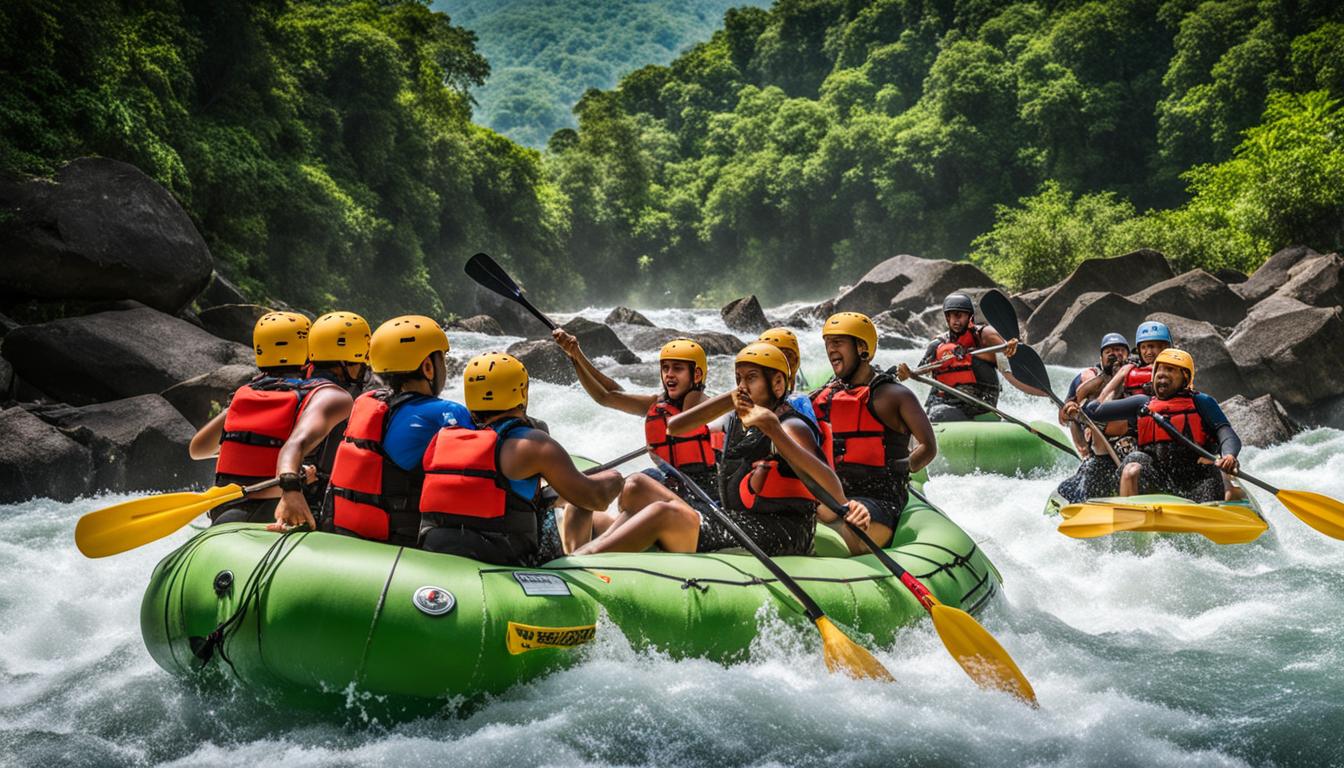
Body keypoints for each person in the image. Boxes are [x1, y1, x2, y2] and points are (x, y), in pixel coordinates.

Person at [575, 343, 867, 556]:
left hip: (781, 531)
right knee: (638, 485)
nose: (742, 386)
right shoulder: (740, 416)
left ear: (777, 383)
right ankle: (593, 550)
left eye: (750, 378)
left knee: (664, 514)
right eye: (738, 378)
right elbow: (675, 428)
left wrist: (774, 430)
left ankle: (586, 561)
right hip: (737, 517)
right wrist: (730, 399)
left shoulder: (790, 425)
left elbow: (833, 490)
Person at [419, 352, 624, 565]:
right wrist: (616, 479)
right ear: (521, 392)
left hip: (438, 554)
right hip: (501, 560)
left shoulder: (445, 438)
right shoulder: (533, 444)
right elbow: (594, 498)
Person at [321, 316, 472, 546]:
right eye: (442, 358)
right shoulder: (445, 412)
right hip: (399, 539)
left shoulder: (366, 401)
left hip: (349, 530)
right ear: (428, 367)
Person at [553, 331, 711, 547]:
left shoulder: (711, 410)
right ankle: (575, 555)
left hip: (695, 504)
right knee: (579, 500)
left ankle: (590, 552)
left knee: (641, 481)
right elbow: (607, 396)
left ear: (697, 374)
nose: (669, 375)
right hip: (663, 490)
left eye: (678, 368)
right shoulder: (658, 404)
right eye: (665, 368)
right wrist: (575, 355)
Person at [189, 311, 343, 525]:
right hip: (273, 509)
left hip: (223, 506)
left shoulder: (245, 393)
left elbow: (198, 450)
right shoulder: (316, 394)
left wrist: (243, 448)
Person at [812, 312, 937, 552]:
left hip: (880, 498)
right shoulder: (826, 395)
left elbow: (928, 446)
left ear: (862, 347)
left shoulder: (894, 395)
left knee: (841, 531)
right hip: (836, 494)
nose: (830, 349)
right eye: (827, 343)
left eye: (837, 342)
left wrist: (904, 466)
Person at [1069, 349, 1243, 503]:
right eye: (1159, 369)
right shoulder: (1143, 404)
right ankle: (1129, 526)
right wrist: (1076, 408)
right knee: (1132, 466)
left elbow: (1226, 433)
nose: (1161, 374)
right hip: (1157, 478)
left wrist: (1229, 455)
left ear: (1185, 377)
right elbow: (1094, 412)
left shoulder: (1201, 402)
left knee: (1217, 475)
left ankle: (1224, 504)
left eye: (1170, 370)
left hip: (1196, 477)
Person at [268, 311, 372, 530]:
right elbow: (295, 444)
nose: (364, 370)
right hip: (307, 503)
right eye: (361, 363)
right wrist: (291, 488)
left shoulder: (295, 387)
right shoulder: (336, 396)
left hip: (270, 494)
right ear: (347, 363)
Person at [896, 292, 1030, 421]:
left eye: (960, 316)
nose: (956, 321)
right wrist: (908, 373)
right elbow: (920, 371)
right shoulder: (937, 345)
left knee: (941, 413)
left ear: (970, 317)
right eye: (952, 316)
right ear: (947, 318)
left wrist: (1010, 346)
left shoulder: (983, 336)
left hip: (980, 400)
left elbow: (1007, 361)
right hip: (946, 401)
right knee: (937, 411)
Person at [1054, 332, 1131, 503]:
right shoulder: (1087, 377)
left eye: (1119, 350)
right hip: (1096, 445)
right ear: (1101, 357)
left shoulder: (1134, 374)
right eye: (1108, 351)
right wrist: (1071, 410)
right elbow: (1063, 418)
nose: (1114, 355)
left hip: (1126, 442)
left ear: (1128, 354)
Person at [1099, 321, 1172, 400]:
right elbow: (1107, 392)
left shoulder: (1176, 367)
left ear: (1164, 347)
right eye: (1143, 347)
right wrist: (1100, 400)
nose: (1148, 352)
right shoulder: (1129, 367)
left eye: (1152, 346)